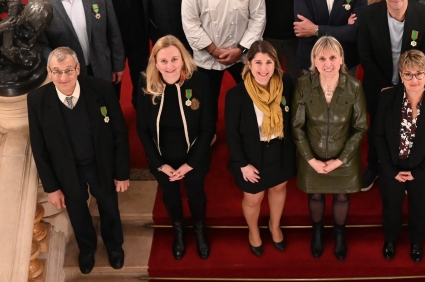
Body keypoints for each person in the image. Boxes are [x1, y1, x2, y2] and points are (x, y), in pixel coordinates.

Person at [28, 47, 130, 275]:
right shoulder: (37, 100)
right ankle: (87, 249)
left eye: (68, 71)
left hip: (100, 165)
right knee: (77, 213)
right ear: (48, 71)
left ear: (78, 69)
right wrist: (52, 187)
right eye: (56, 72)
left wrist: (122, 172)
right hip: (68, 171)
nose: (63, 77)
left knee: (109, 207)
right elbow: (39, 146)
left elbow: (119, 133)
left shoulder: (101, 89)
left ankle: (114, 247)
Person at [357, 0, 425, 192]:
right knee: (377, 131)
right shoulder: (368, 16)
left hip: (413, 86)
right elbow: (365, 55)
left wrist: (411, 88)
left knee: (409, 131)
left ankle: (406, 169)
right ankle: (374, 167)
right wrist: (386, 86)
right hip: (378, 86)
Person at [136, 35, 214, 259]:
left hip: (194, 156)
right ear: (155, 62)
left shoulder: (199, 81)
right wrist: (160, 165)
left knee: (196, 193)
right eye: (163, 61)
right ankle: (178, 231)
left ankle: (199, 231)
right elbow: (142, 129)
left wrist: (191, 164)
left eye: (174, 59)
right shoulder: (146, 83)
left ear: (183, 59)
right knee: (170, 196)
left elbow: (208, 128)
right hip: (163, 158)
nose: (169, 66)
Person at [292, 36, 367, 260]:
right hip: (311, 156)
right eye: (322, 57)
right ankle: (317, 232)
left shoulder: (354, 86)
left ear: (341, 59)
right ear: (314, 60)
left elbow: (360, 127)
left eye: (333, 57)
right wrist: (311, 159)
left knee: (341, 197)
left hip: (344, 159)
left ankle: (339, 233)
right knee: (315, 195)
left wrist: (340, 160)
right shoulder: (303, 85)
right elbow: (297, 126)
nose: (328, 63)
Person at [182, 0, 266, 128]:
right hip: (207, 55)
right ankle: (208, 134)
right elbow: (190, 23)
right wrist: (212, 49)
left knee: (250, 98)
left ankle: (249, 130)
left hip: (242, 54)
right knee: (205, 103)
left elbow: (258, 18)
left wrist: (241, 49)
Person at [372, 50, 425, 263]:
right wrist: (390, 170)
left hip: (422, 170)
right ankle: (391, 239)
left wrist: (418, 172)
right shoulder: (388, 98)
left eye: (419, 73)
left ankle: (416, 242)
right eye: (408, 74)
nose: (414, 79)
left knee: (419, 208)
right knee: (391, 206)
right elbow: (377, 134)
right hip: (392, 167)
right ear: (401, 74)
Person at [225, 40, 296, 256]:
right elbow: (232, 134)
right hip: (251, 156)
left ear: (276, 64)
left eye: (268, 62)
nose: (263, 69)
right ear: (248, 63)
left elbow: (293, 118)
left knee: (278, 189)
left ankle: (274, 226)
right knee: (253, 198)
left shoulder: (287, 83)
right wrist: (242, 165)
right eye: (258, 62)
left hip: (281, 150)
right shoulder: (236, 95)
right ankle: (253, 231)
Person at [32, 0, 125, 85]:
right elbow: (41, 45)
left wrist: (118, 64)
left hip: (103, 69)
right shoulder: (38, 4)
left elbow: (113, 31)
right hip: (67, 76)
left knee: (108, 106)